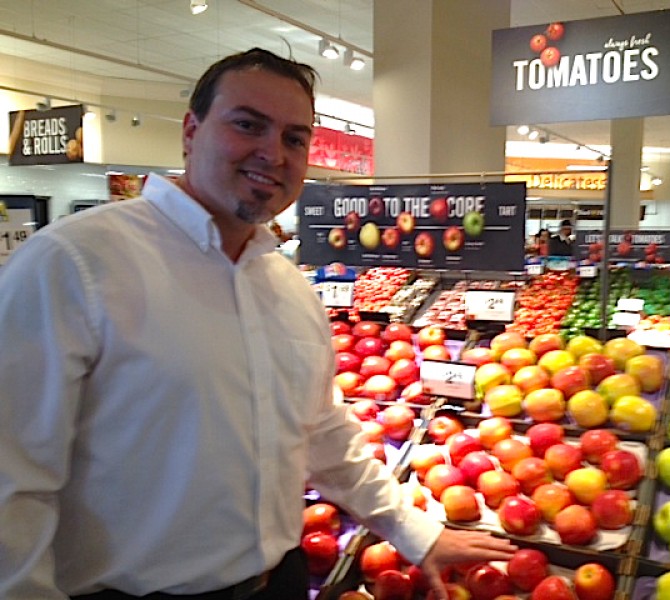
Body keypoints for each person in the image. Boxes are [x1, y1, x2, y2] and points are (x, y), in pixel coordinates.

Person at [0, 48, 516, 600]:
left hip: (279, 580)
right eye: (248, 125)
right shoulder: (74, 263)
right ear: (191, 131)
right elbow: (12, 476)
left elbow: (322, 432)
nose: (272, 153)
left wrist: (415, 533)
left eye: (295, 138)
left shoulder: (289, 288)